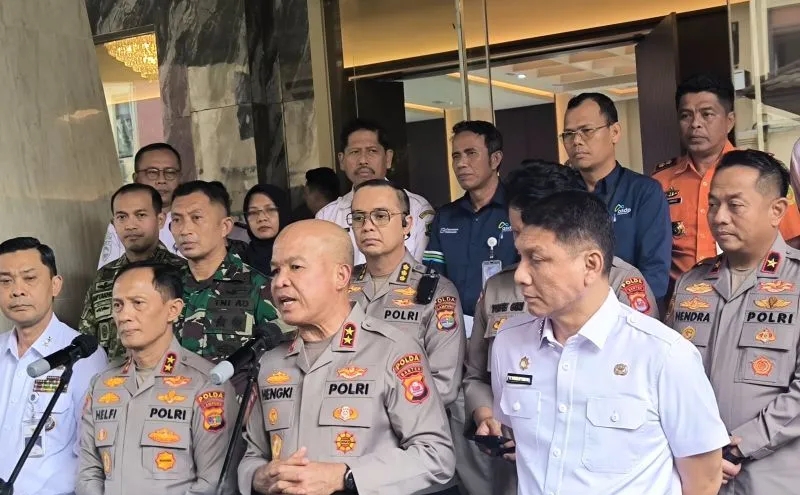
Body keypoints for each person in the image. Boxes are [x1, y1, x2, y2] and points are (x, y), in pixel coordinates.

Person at [488, 191, 729, 495]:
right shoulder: (509, 343)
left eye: (536, 259)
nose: (520, 275)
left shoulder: (664, 355)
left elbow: (704, 481)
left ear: (591, 265)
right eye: (520, 258)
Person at [463, 159, 658, 495]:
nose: (522, 248)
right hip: (517, 476)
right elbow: (476, 376)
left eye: (533, 237)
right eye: (516, 233)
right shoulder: (498, 287)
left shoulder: (620, 283)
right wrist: (486, 416)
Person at [238, 220, 456, 495]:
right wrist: (258, 477)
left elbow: (436, 456)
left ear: (341, 276)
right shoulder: (270, 362)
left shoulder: (393, 351)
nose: (280, 281)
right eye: (275, 270)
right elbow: (253, 454)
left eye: (296, 267)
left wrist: (346, 477)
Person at [667, 149, 800, 494]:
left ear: (776, 211)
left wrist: (738, 446)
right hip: (695, 473)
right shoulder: (692, 282)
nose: (719, 217)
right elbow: (665, 375)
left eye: (735, 205)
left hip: (773, 478)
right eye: (713, 204)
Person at [76, 261, 238, 495]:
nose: (124, 316)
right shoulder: (102, 384)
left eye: (138, 303)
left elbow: (215, 484)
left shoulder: (206, 384)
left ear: (173, 310)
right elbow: (89, 472)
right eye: (118, 305)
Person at [653, 74, 800, 289]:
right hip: (684, 300)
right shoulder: (659, 182)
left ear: (729, 121)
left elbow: (792, 240)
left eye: (707, 114)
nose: (695, 124)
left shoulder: (763, 173)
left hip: (756, 295)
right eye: (686, 116)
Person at [0, 237, 107, 495]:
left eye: (29, 278)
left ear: (55, 285)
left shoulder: (83, 355)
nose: (17, 290)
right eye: (5, 281)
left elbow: (94, 449)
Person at [562, 92, 671, 301]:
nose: (576, 141)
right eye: (568, 134)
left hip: (630, 310)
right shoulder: (561, 195)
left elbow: (655, 274)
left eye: (586, 131)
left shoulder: (644, 192)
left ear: (614, 132)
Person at [170, 180, 281, 361]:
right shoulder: (165, 288)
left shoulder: (260, 289)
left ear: (225, 227)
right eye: (176, 220)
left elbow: (279, 360)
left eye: (196, 218)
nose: (184, 230)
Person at [423, 120, 520, 322]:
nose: (461, 163)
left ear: (495, 159)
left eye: (471, 153)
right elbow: (433, 278)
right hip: (453, 324)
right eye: (456, 156)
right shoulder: (446, 216)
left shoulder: (519, 210)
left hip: (511, 322)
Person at [80, 184, 186, 359]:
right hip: (112, 375)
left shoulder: (182, 273)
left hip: (168, 374)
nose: (130, 225)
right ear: (113, 223)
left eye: (140, 215)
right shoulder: (104, 276)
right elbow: (87, 340)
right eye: (122, 217)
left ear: (160, 220)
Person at [317, 118, 434, 265]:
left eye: (372, 151)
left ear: (388, 158)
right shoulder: (327, 216)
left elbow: (422, 270)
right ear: (341, 160)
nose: (363, 160)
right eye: (354, 152)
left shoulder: (417, 208)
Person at [97, 143, 183, 268]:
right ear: (136, 178)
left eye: (170, 172)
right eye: (152, 173)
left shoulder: (191, 218)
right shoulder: (122, 223)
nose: (161, 180)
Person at [240, 184, 291, 276]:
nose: (261, 218)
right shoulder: (239, 262)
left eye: (270, 210)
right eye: (253, 212)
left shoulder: (302, 255)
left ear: (283, 212)